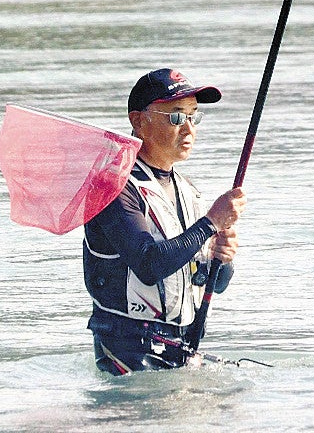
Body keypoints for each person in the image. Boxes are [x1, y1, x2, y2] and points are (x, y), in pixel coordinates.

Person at [83, 67, 246, 374]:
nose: (188, 129)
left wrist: (222, 260)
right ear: (138, 121)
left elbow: (215, 284)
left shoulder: (188, 191)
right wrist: (211, 223)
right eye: (175, 117)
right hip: (127, 349)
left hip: (179, 344)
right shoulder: (112, 186)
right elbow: (148, 264)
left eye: (193, 116)